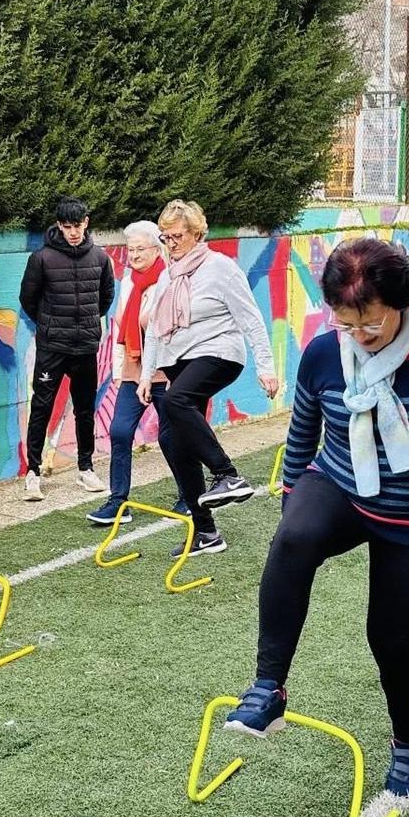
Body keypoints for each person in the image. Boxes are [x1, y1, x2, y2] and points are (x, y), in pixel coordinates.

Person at [222, 237, 409, 799]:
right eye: (347, 324)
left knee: (392, 642)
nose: (360, 336)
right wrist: (293, 505)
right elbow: (302, 435)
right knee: (292, 538)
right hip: (340, 485)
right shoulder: (325, 353)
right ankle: (268, 688)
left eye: (371, 323)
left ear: (403, 303)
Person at [138, 199, 279, 556]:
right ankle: (206, 532)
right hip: (178, 362)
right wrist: (146, 374)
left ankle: (227, 474)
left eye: (177, 236)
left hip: (218, 353)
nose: (170, 244)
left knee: (176, 400)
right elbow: (154, 330)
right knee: (174, 441)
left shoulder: (220, 267)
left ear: (197, 234)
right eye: (165, 237)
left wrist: (266, 367)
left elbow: (251, 318)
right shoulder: (168, 275)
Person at [86, 221, 188, 526]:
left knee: (171, 437)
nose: (133, 255)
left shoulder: (169, 280)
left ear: (156, 250)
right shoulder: (129, 282)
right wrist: (119, 371)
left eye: (140, 249)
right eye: (130, 250)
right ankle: (118, 502)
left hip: (166, 371)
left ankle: (188, 495)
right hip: (134, 370)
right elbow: (120, 328)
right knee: (119, 431)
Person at [19, 197, 115, 500]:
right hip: (53, 347)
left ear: (86, 222)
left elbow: (105, 298)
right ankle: (32, 473)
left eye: (77, 225)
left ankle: (86, 468)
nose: (73, 232)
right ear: (59, 226)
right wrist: (50, 325)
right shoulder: (41, 259)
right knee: (42, 407)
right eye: (67, 226)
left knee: (85, 408)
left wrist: (85, 323)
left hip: (85, 346)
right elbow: (28, 300)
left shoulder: (100, 258)